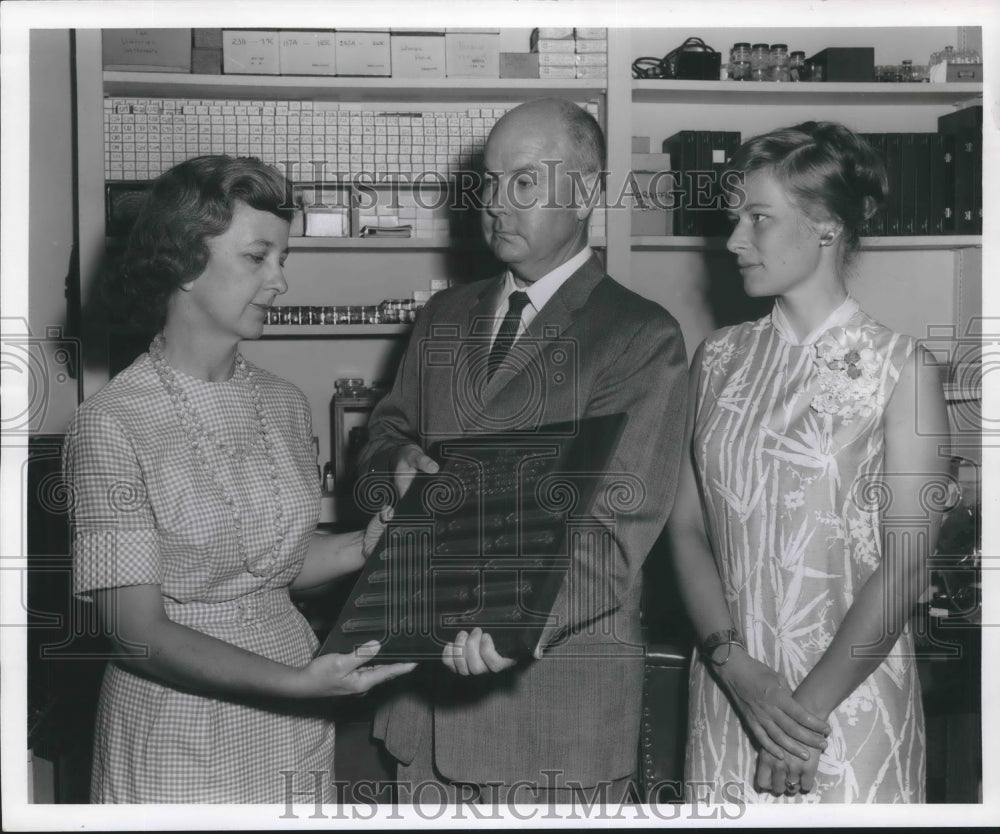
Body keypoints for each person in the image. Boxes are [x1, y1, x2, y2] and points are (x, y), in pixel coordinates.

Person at [357, 98, 689, 803]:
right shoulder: (443, 316)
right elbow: (383, 432)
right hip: (423, 714)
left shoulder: (639, 336)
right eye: (488, 182)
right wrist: (393, 466)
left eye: (525, 183)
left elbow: (614, 531)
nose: (497, 204)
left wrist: (509, 625)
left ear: (589, 193)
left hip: (552, 717)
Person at [64, 156, 415, 803]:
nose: (280, 282)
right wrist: (296, 684)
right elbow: (136, 633)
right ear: (185, 262)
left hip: (293, 720)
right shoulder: (112, 423)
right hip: (180, 725)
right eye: (258, 258)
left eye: (283, 260)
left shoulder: (282, 402)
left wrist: (363, 546)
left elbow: (269, 561)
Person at [667, 121, 951, 803]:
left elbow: (908, 565)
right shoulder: (719, 358)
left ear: (825, 225)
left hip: (842, 714)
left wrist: (801, 718)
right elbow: (686, 530)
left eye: (758, 218)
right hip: (729, 695)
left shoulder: (901, 369)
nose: (734, 239)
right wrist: (736, 669)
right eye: (736, 216)